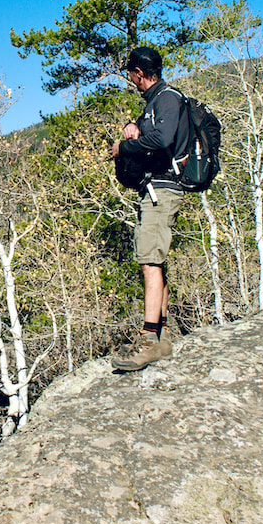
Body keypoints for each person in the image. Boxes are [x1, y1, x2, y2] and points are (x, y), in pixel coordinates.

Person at [109, 46, 191, 371]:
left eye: (131, 74)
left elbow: (161, 140)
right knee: (155, 259)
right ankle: (164, 333)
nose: (130, 79)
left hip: (162, 190)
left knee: (149, 262)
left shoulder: (167, 98)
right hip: (158, 189)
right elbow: (154, 133)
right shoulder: (157, 102)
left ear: (139, 73)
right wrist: (134, 125)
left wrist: (123, 146)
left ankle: (149, 341)